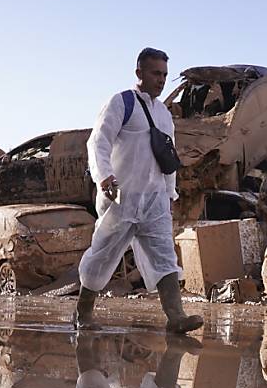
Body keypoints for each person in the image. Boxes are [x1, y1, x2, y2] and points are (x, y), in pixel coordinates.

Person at [74, 47, 203, 334]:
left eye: (165, 75)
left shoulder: (164, 115)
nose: (161, 80)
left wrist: (170, 194)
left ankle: (176, 316)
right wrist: (104, 176)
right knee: (103, 254)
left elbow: (167, 158)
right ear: (139, 73)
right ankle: (83, 311)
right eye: (156, 73)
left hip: (154, 201)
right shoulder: (122, 103)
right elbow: (98, 143)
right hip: (121, 198)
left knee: (164, 256)